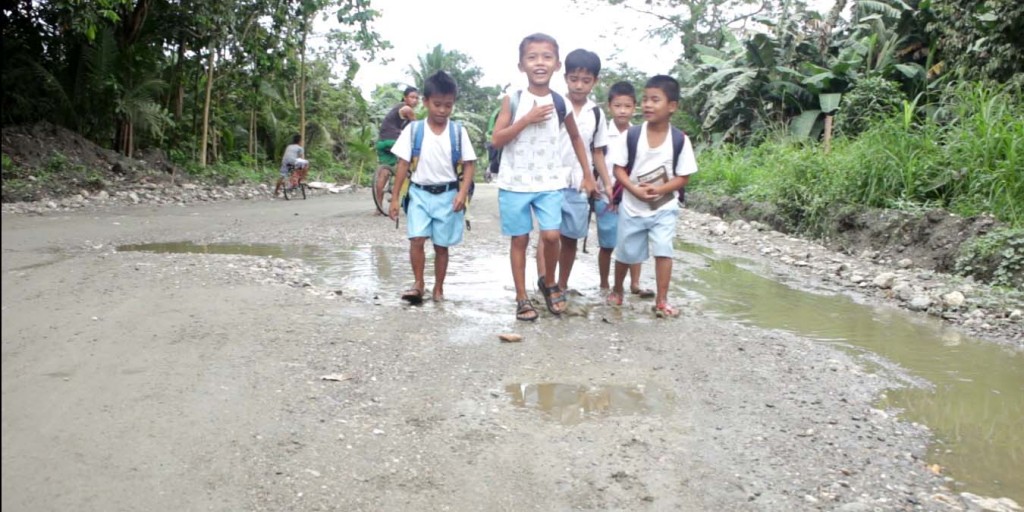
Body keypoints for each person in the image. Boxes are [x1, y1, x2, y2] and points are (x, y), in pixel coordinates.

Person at [491, 32, 592, 321]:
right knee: (520, 240)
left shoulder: (561, 102)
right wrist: (526, 120)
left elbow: (575, 138)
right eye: (532, 57)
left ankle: (548, 283)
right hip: (514, 183)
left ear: (557, 64)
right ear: (521, 65)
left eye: (547, 57)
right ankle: (522, 297)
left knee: (551, 235)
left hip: (550, 182)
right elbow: (497, 139)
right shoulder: (513, 100)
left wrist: (587, 174)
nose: (540, 63)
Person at [605, 75, 697, 317]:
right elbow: (618, 169)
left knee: (664, 249)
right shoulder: (632, 135)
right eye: (645, 99)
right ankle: (617, 290)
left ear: (672, 106)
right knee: (625, 252)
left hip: (664, 207)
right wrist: (634, 189)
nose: (647, 104)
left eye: (655, 100)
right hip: (632, 207)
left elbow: (683, 176)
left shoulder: (679, 140)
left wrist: (660, 190)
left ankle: (662, 300)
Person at [387, 71, 476, 304]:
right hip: (418, 193)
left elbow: (469, 166)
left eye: (448, 105)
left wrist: (462, 193)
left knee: (441, 246)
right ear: (425, 102)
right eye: (437, 104)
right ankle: (418, 283)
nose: (442, 110)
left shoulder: (458, 132)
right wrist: (395, 198)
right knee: (416, 239)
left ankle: (438, 288)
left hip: (448, 196)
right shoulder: (413, 131)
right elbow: (402, 164)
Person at [535, 48, 612, 297]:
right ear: (565, 77)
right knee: (549, 235)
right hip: (550, 180)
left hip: (580, 184)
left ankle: (562, 284)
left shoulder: (597, 114)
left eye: (586, 81)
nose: (579, 85)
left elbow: (597, 152)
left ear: (595, 82)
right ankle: (546, 283)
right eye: (574, 79)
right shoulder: (552, 104)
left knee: (570, 238)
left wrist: (607, 184)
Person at [595, 81, 652, 298]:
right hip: (605, 195)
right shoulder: (602, 134)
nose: (622, 111)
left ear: (634, 107)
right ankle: (604, 283)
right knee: (607, 243)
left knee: (634, 240)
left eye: (627, 106)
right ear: (610, 106)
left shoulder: (638, 135)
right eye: (618, 106)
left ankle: (635, 283)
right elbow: (597, 158)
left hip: (631, 195)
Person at [375, 86, 420, 212]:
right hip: (393, 140)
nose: (415, 100)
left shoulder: (396, 108)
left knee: (383, 173)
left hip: (382, 141)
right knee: (409, 164)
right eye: (412, 97)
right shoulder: (406, 109)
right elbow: (417, 128)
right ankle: (400, 192)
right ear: (405, 98)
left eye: (417, 98)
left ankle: (378, 207)